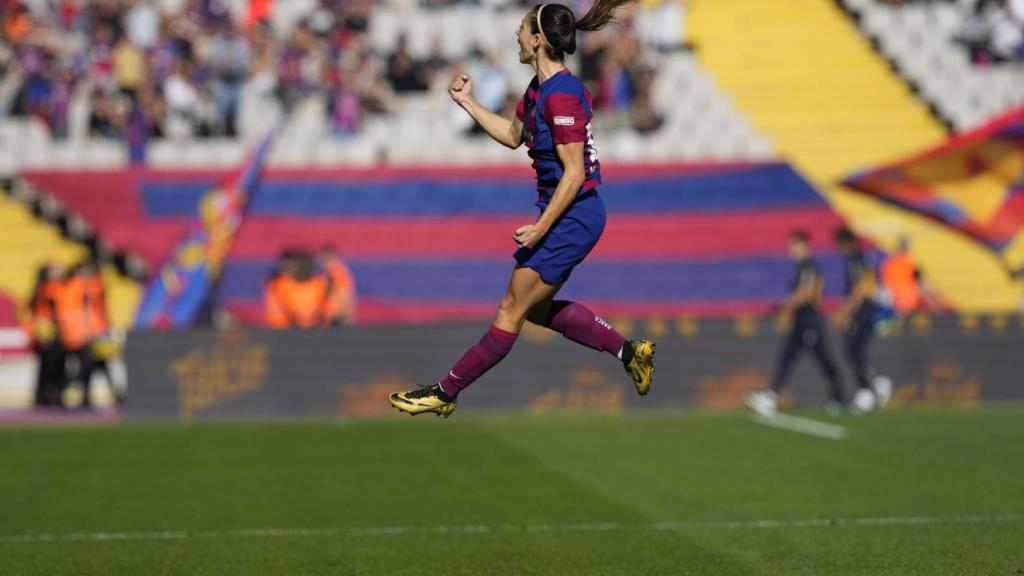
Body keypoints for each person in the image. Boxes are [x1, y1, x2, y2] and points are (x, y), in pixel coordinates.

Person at [389, 0, 656, 418]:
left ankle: (445, 392)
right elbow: (514, 135)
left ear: (537, 39)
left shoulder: (562, 95)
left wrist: (540, 227)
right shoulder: (538, 90)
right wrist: (468, 103)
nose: (515, 33)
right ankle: (628, 351)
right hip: (565, 213)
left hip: (574, 214)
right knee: (533, 310)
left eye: (521, 28)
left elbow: (573, 175)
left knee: (510, 309)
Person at [746, 231, 844, 416]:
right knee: (786, 357)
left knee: (823, 359)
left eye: (794, 246)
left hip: (810, 321)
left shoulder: (809, 267)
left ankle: (839, 395)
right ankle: (771, 395)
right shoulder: (799, 268)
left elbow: (805, 294)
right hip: (799, 320)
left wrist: (784, 305)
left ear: (805, 247)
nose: (791, 250)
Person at [834, 227, 892, 413]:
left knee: (853, 350)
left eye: (841, 244)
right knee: (853, 351)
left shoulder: (857, 260)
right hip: (864, 309)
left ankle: (877, 382)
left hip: (864, 310)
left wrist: (846, 313)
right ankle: (865, 392)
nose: (839, 249)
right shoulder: (860, 259)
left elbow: (859, 290)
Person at [20, 263, 65, 407]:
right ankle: (43, 395)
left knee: (58, 365)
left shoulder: (63, 287)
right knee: (47, 366)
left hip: (61, 332)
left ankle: (53, 394)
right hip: (45, 333)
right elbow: (29, 313)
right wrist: (35, 331)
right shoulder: (42, 289)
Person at [264, 251, 333, 328]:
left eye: (291, 266)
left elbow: (326, 309)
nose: (287, 270)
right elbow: (288, 310)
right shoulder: (280, 283)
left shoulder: (320, 283)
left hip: (316, 327)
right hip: (283, 328)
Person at [319, 246, 356, 326]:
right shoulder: (330, 272)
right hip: (332, 314)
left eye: (322, 259)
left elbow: (344, 294)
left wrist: (346, 315)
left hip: (336, 314)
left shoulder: (336, 272)